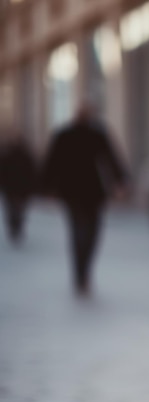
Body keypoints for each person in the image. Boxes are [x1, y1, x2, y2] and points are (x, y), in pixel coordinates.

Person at [42, 103, 127, 295]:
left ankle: (82, 271)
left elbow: (111, 158)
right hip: (81, 192)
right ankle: (81, 273)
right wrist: (47, 187)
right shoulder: (68, 135)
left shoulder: (93, 134)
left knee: (87, 233)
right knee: (82, 233)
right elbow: (52, 162)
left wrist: (120, 181)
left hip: (86, 192)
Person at [0, 134, 37, 244]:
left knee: (13, 209)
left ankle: (15, 227)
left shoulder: (8, 156)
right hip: (19, 189)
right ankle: (16, 227)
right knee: (17, 209)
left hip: (13, 188)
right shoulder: (25, 156)